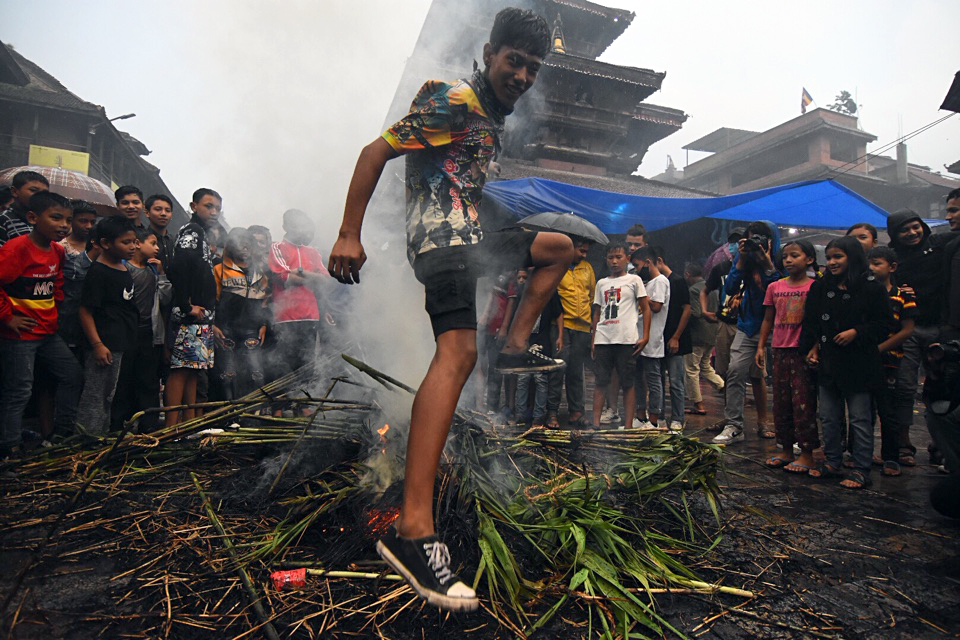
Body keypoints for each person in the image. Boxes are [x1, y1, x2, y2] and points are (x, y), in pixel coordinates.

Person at [327, 8, 569, 611]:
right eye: (515, 61)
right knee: (457, 352)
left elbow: (461, 178)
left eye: (532, 69)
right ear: (490, 53)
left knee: (562, 247)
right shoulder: (455, 101)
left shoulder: (489, 116)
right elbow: (371, 153)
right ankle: (414, 532)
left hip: (472, 232)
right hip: (443, 240)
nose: (522, 76)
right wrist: (349, 234)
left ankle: (514, 344)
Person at [802, 236, 894, 489]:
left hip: (860, 363)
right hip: (828, 362)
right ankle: (832, 462)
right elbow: (811, 322)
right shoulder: (820, 287)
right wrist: (811, 348)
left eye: (837, 257)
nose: (831, 262)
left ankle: (861, 469)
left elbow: (886, 324)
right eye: (829, 257)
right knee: (829, 416)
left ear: (852, 257)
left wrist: (857, 332)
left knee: (860, 418)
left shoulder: (870, 287)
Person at [0, 192, 82, 457]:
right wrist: (7, 317)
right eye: (56, 218)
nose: (64, 226)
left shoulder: (57, 251)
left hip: (47, 331)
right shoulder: (17, 249)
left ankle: (62, 434)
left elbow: (56, 285)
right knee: (19, 390)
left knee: (72, 375)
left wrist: (54, 313)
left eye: (68, 220)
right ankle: (9, 447)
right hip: (20, 335)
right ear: (33, 218)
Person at [887, 209, 958, 466]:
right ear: (895, 235)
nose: (912, 233)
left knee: (941, 388)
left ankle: (940, 443)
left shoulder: (939, 244)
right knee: (905, 387)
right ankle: (903, 442)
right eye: (904, 230)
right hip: (909, 330)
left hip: (940, 328)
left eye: (915, 227)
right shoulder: (893, 258)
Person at [712, 221, 781, 445]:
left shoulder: (784, 258)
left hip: (781, 328)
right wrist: (741, 259)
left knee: (782, 379)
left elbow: (780, 292)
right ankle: (734, 425)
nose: (758, 242)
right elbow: (729, 289)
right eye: (753, 237)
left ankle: (785, 430)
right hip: (749, 326)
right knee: (735, 371)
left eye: (762, 238)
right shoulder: (745, 261)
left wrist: (768, 262)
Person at [755, 240, 818, 473]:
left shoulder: (815, 287)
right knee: (781, 402)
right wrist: (761, 346)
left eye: (795, 256)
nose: (789, 260)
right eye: (785, 257)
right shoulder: (775, 287)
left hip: (802, 351)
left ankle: (808, 453)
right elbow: (768, 319)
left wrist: (816, 348)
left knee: (803, 403)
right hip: (779, 349)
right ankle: (785, 450)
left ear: (809, 259)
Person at [76, 216, 138, 436]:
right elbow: (85, 311)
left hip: (120, 342)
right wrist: (97, 344)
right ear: (105, 243)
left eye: (134, 241)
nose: (133, 247)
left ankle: (102, 436)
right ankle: (87, 439)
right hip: (105, 344)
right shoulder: (98, 272)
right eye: (126, 242)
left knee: (109, 394)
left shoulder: (122, 268)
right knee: (96, 393)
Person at [165, 188, 221, 427]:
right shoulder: (192, 231)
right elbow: (178, 268)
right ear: (194, 206)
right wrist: (186, 306)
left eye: (218, 208)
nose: (214, 212)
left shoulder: (202, 234)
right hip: (191, 314)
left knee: (193, 370)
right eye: (208, 206)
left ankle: (188, 424)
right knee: (180, 370)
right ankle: (170, 427)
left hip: (202, 315)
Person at [268, 209, 330, 414]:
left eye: (302, 224)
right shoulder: (277, 247)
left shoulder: (313, 252)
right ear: (285, 226)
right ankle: (279, 409)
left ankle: (303, 407)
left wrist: (302, 272)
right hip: (285, 316)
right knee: (282, 364)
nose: (300, 229)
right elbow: (284, 276)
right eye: (295, 225)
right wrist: (308, 276)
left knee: (307, 364)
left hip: (310, 314)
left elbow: (325, 278)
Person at [111, 228, 171, 432]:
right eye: (152, 243)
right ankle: (118, 426)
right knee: (123, 381)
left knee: (149, 382)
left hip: (149, 332)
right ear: (137, 243)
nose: (156, 248)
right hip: (127, 333)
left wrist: (162, 274)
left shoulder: (153, 270)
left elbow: (165, 298)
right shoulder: (123, 268)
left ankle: (149, 427)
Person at [866, 246, 916, 477]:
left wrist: (879, 348)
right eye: (870, 263)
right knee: (864, 409)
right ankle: (861, 455)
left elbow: (907, 330)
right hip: (865, 358)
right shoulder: (863, 292)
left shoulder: (903, 295)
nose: (872, 268)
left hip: (890, 360)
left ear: (892, 267)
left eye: (877, 263)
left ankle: (891, 457)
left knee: (888, 410)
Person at [590, 243, 650, 429]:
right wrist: (594, 339)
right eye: (610, 258)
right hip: (603, 338)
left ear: (627, 259)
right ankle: (595, 424)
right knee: (600, 381)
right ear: (606, 260)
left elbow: (646, 309)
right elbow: (597, 312)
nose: (614, 261)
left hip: (626, 339)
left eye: (618, 257)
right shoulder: (602, 283)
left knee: (628, 383)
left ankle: (629, 426)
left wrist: (645, 336)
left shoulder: (634, 280)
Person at [213, 228, 269, 401]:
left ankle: (253, 415)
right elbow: (211, 301)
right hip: (225, 330)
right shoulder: (219, 270)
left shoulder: (260, 274)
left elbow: (265, 304)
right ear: (230, 245)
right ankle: (229, 416)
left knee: (256, 372)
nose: (243, 246)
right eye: (238, 242)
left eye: (247, 242)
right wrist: (213, 325)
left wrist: (264, 325)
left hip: (251, 330)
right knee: (227, 374)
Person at [548, 237, 595, 427]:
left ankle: (576, 411)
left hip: (582, 326)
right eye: (581, 251)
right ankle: (552, 413)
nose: (584, 255)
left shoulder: (587, 268)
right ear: (571, 248)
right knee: (558, 369)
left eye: (586, 252)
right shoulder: (557, 266)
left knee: (576, 371)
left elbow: (591, 296)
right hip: (561, 325)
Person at [514, 270, 563, 427]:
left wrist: (560, 335)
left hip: (542, 340)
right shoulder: (523, 292)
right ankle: (520, 414)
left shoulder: (550, 290)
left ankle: (538, 416)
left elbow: (559, 313)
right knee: (523, 378)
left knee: (540, 378)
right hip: (524, 339)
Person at [631, 246, 668, 429]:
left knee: (653, 380)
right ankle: (640, 416)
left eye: (637, 266)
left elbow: (656, 307)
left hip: (652, 340)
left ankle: (653, 420)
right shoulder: (647, 283)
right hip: (638, 338)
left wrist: (640, 294)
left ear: (648, 263)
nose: (636, 270)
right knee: (638, 378)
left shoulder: (660, 281)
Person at [656, 248, 692, 432]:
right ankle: (660, 416)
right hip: (659, 339)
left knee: (676, 381)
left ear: (659, 261)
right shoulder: (655, 283)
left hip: (674, 339)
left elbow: (687, 309)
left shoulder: (677, 281)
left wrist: (676, 337)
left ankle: (678, 418)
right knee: (658, 380)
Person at [58, 200, 99, 355]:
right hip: (66, 313)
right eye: (83, 221)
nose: (88, 226)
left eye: (92, 222)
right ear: (71, 220)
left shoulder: (97, 247)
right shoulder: (61, 247)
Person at [683, 262, 723, 416]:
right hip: (711, 333)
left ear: (687, 274)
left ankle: (698, 404)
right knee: (705, 366)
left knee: (691, 369)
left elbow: (695, 312)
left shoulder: (693, 290)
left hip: (697, 335)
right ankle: (723, 387)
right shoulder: (711, 288)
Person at [479, 270, 519, 417]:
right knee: (481, 366)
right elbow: (490, 297)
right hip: (486, 327)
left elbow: (511, 302)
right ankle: (478, 403)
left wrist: (503, 328)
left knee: (495, 369)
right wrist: (484, 317)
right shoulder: (493, 272)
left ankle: (492, 405)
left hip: (498, 327)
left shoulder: (511, 275)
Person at [0, 170, 49, 248]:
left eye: (44, 193)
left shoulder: (43, 221)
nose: (40, 196)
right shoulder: (4, 219)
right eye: (33, 190)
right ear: (14, 191)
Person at [145, 194, 175, 271]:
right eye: (158, 209)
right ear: (147, 213)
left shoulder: (174, 242)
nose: (163, 214)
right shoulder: (142, 240)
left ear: (171, 216)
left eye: (167, 210)